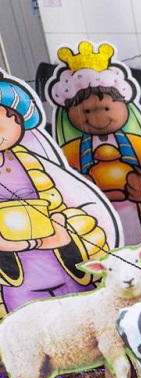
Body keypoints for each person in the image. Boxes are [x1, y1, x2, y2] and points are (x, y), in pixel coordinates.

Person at [48, 41, 141, 281]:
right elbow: (55, 184)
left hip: (139, 218)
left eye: (106, 108)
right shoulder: (70, 153)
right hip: (100, 223)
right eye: (87, 112)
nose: (98, 117)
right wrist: (79, 186)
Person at [0, 72, 119, 314]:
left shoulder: (31, 161)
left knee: (83, 313)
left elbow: (62, 201)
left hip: (58, 257)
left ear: (17, 118)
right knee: (29, 322)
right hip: (17, 274)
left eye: (10, 115)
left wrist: (62, 232)